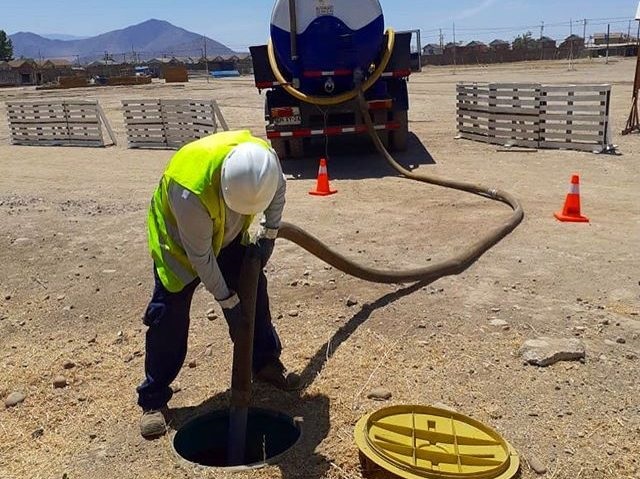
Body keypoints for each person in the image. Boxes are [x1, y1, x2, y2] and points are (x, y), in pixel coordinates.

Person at [137, 130, 299, 438]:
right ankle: (153, 399)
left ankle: (265, 363)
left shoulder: (265, 164)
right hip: (179, 243)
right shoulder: (190, 192)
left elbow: (277, 198)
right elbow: (201, 258)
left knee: (255, 291)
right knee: (168, 314)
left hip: (227, 231)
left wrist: (269, 237)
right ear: (224, 186)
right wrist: (228, 303)